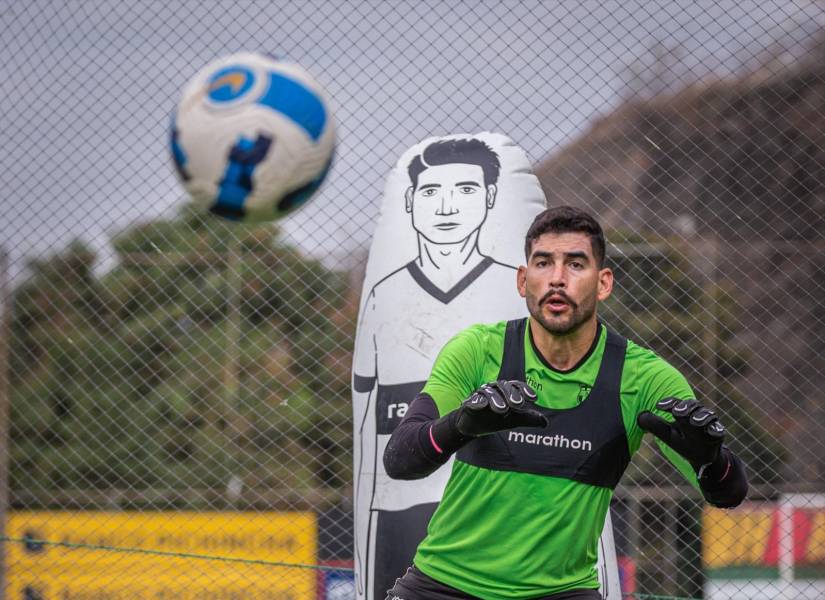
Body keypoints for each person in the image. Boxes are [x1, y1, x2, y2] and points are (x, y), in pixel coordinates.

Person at [382, 206, 748, 600]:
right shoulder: (476, 350)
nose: (557, 279)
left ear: (603, 282)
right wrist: (460, 426)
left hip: (561, 593)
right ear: (524, 281)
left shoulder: (646, 379)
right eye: (543, 263)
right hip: (444, 585)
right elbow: (400, 460)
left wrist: (711, 460)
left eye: (576, 264)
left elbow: (729, 494)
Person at [353, 138, 534, 599]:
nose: (448, 206)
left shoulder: (521, 293)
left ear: (491, 198)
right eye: (432, 192)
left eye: (467, 190)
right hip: (400, 509)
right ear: (410, 203)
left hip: (507, 517)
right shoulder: (384, 296)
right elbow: (365, 426)